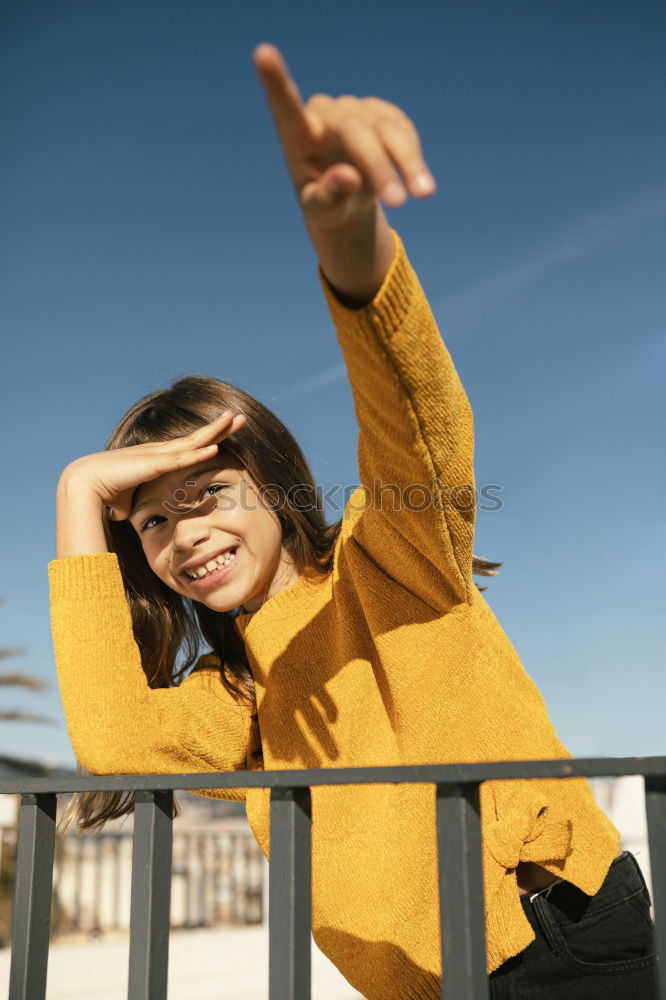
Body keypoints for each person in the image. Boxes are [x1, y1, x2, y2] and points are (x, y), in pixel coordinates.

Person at [49, 43, 657, 1000]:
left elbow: (421, 427)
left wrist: (352, 250)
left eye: (207, 495)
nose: (183, 536)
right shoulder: (236, 697)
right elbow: (116, 743)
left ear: (278, 488)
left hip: (552, 939)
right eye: (153, 524)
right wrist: (79, 491)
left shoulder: (392, 558)